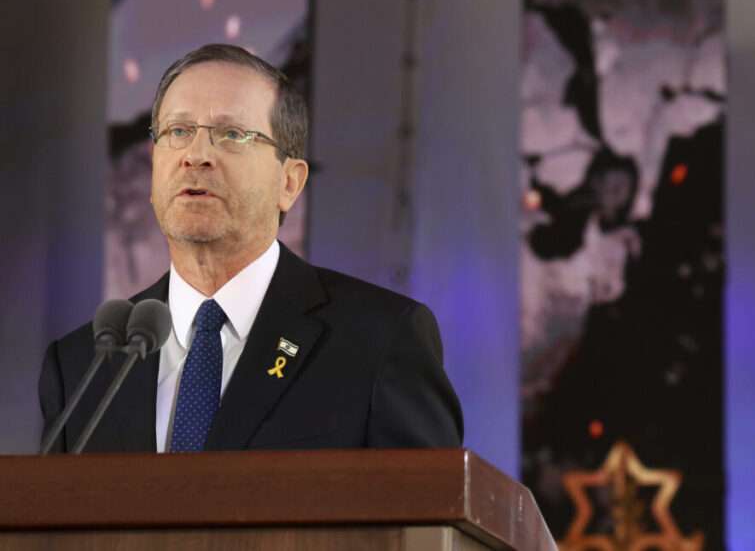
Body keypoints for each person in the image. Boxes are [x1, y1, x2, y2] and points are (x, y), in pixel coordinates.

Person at [38, 44, 463, 453]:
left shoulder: (378, 342)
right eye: (178, 131)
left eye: (232, 134)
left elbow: (428, 504)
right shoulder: (82, 367)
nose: (196, 156)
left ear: (289, 182)